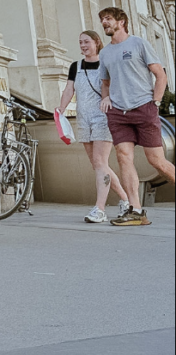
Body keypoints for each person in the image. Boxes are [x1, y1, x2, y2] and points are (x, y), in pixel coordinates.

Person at [98, 7, 175, 226]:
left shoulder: (138, 44)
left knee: (157, 161)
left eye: (108, 18)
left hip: (144, 108)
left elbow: (160, 75)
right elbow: (105, 82)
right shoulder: (105, 53)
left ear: (121, 22)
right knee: (123, 157)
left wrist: (155, 103)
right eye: (102, 19)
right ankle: (136, 210)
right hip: (118, 113)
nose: (104, 22)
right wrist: (105, 98)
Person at [56, 30, 131, 224]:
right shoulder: (75, 66)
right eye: (80, 42)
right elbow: (69, 89)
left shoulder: (107, 63)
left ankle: (100, 209)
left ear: (97, 42)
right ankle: (125, 200)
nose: (83, 45)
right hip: (83, 118)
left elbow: (117, 88)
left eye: (86, 42)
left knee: (99, 162)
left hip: (103, 118)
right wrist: (61, 109)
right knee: (98, 165)